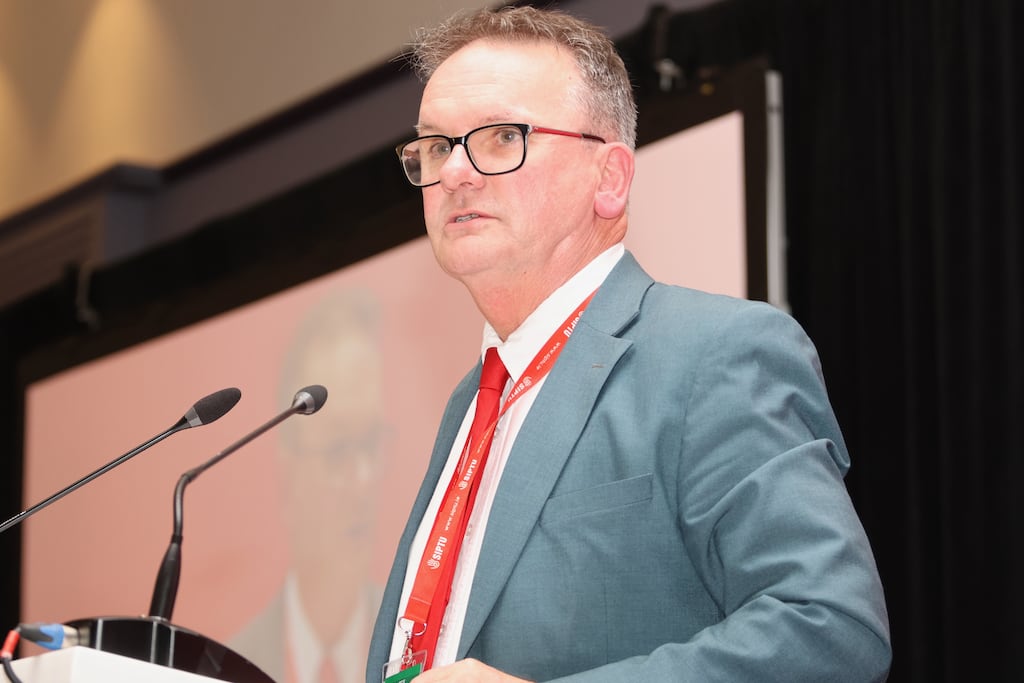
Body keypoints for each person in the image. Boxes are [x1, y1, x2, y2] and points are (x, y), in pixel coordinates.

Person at [367, 6, 891, 682]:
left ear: (609, 178)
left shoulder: (715, 353)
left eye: (500, 137)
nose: (456, 173)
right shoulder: (471, 403)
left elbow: (831, 627)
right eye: (437, 146)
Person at [233, 290, 385, 683]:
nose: (364, 479)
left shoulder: (426, 651)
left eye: (370, 444)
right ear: (288, 475)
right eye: (338, 450)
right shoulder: (228, 666)